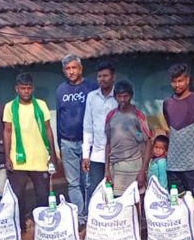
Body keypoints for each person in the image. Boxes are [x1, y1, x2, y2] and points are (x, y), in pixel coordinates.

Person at [163, 63, 194, 240]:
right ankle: (183, 233)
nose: (177, 85)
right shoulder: (168, 103)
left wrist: (190, 141)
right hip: (174, 161)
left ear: (188, 80)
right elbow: (169, 123)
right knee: (178, 199)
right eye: (174, 81)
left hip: (193, 161)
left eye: (180, 80)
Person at [4, 73, 59, 231]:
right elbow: (7, 131)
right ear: (17, 89)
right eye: (23, 88)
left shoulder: (41, 105)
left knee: (42, 196)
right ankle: (20, 227)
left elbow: (48, 130)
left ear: (32, 88)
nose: (26, 91)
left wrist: (53, 156)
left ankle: (42, 226)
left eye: (28, 88)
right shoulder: (9, 107)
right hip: (18, 159)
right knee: (18, 195)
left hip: (40, 158)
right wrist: (7, 156)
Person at [56, 55, 97, 225]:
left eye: (74, 68)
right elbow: (59, 117)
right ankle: (80, 218)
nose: (71, 71)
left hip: (87, 143)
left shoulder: (91, 87)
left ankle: (90, 215)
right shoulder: (61, 90)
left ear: (81, 69)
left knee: (87, 182)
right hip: (67, 142)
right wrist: (60, 144)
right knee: (73, 183)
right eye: (68, 69)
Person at [104, 80, 152, 196]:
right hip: (115, 166)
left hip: (134, 165)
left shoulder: (138, 115)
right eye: (119, 96)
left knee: (136, 200)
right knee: (117, 202)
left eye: (125, 96)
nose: (122, 100)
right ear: (115, 97)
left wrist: (143, 171)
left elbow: (148, 142)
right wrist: (106, 170)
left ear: (131, 96)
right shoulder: (111, 115)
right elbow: (108, 143)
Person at [82, 62, 117, 201]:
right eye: (99, 76)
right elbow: (88, 126)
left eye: (105, 76)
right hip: (97, 154)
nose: (102, 79)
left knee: (114, 191)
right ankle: (94, 220)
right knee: (95, 190)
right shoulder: (92, 97)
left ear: (113, 77)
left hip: (116, 154)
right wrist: (86, 155)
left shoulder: (119, 97)